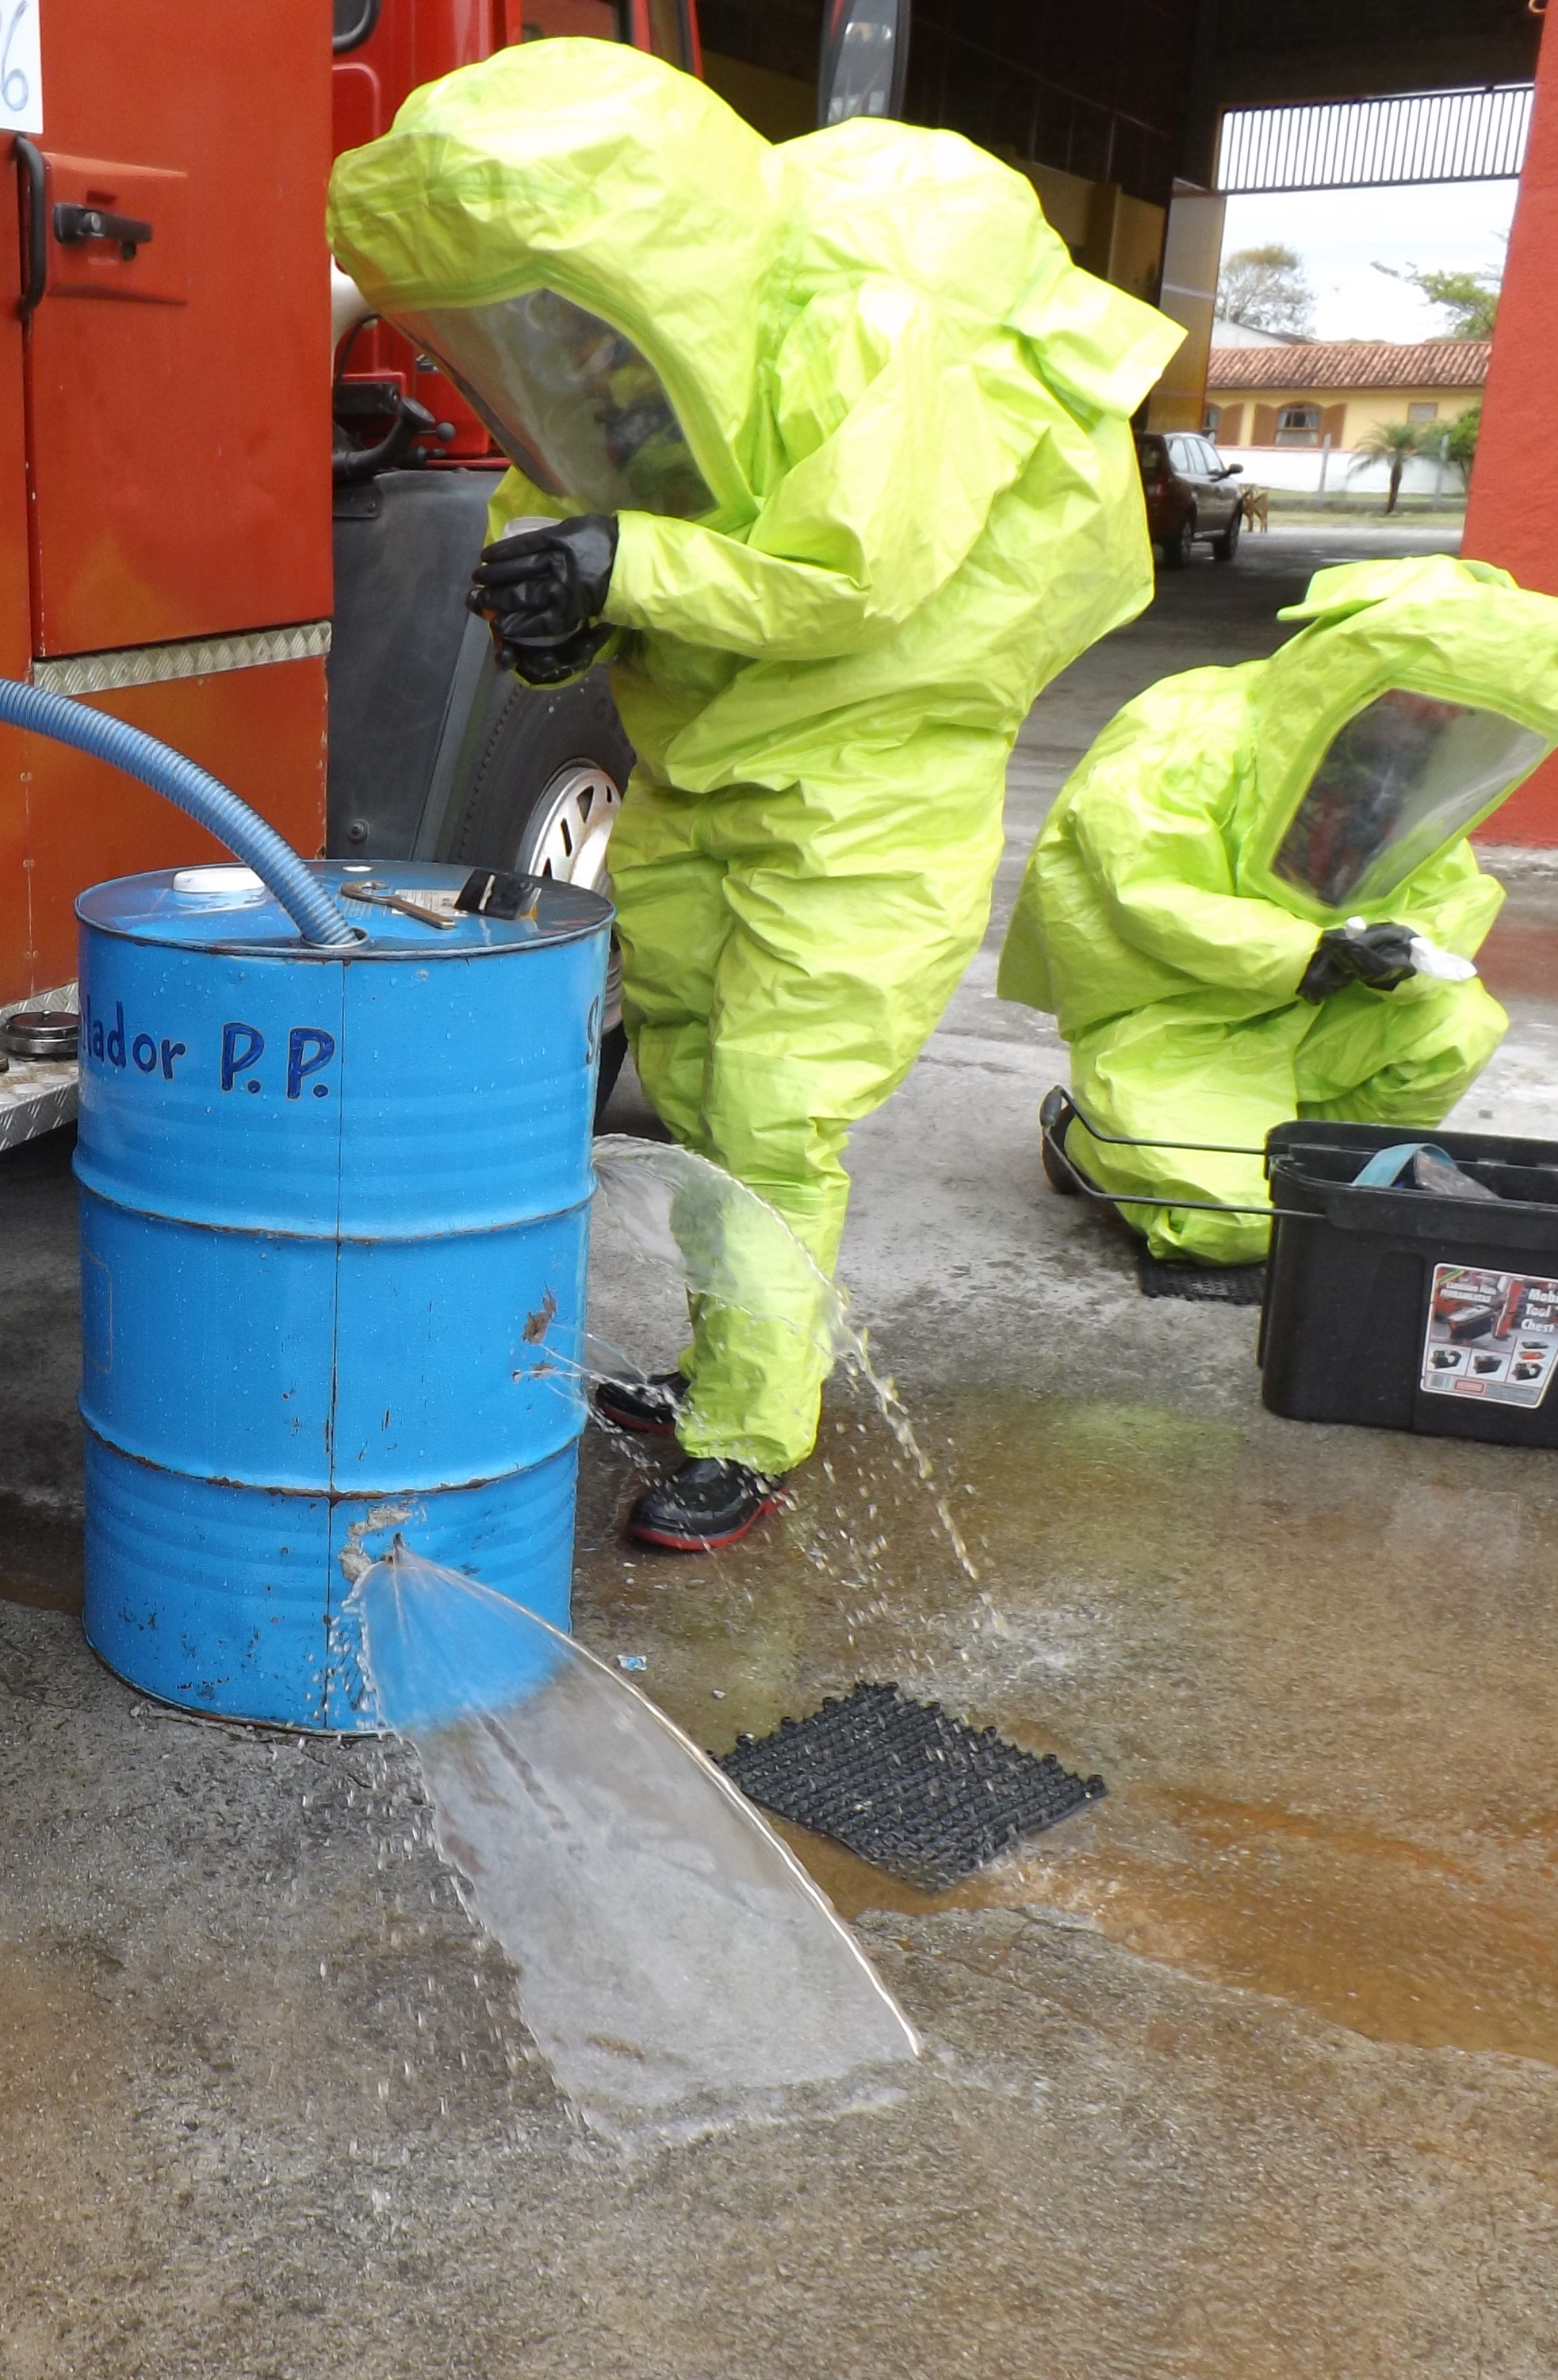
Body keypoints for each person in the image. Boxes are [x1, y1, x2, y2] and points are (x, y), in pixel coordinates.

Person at [327, 42, 1177, 1552]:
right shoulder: (602, 358)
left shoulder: (867, 327)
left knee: (776, 1108)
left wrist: (623, 567)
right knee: (694, 1081)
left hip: (870, 784)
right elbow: (578, 512)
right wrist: (556, 619)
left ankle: (750, 1429)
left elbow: (854, 575)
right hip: (700, 761)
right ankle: (731, 1358)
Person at [1000, 556, 1558, 1261]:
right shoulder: (1191, 730)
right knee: (1231, 1226)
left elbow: (1449, 892)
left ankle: (1313, 1158)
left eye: (1456, 716)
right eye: (1421, 704)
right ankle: (1081, 1137)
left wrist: (1403, 950)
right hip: (1176, 1014)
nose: (1434, 727)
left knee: (1456, 1027)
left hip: (1317, 1014)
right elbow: (1147, 890)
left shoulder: (1396, 775)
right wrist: (1300, 953)